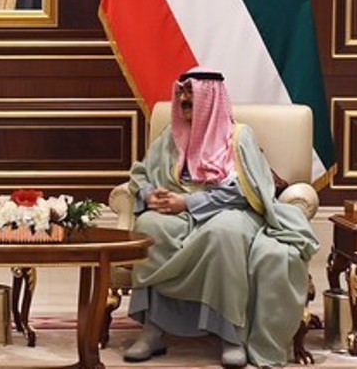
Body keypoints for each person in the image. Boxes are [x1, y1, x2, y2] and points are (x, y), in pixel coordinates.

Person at [124, 69, 319, 368]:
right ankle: (154, 329)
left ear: (210, 101)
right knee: (149, 227)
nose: (184, 106)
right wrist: (150, 194)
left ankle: (230, 335)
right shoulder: (171, 136)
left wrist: (188, 202)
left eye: (191, 101)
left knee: (223, 234)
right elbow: (142, 173)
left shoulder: (238, 136)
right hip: (178, 211)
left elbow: (248, 190)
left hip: (230, 211)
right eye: (182, 100)